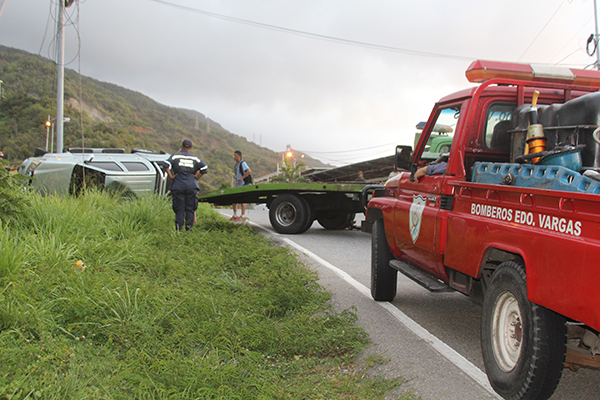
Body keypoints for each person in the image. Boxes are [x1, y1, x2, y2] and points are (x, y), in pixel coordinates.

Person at [163, 139, 208, 231]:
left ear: (182, 146)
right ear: (191, 148)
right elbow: (204, 168)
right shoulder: (195, 158)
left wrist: (171, 176)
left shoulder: (175, 156)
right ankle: (189, 229)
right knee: (190, 208)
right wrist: (196, 178)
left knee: (179, 208)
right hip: (191, 185)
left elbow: (166, 164)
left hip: (178, 185)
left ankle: (179, 229)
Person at [232, 150, 251, 221]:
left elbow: (248, 171)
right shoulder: (236, 165)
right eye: (234, 155)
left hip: (242, 184)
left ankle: (242, 216)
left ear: (239, 156)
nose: (234, 157)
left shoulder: (242, 163)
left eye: (235, 155)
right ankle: (235, 215)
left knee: (243, 200)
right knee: (234, 200)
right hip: (237, 184)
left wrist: (242, 178)